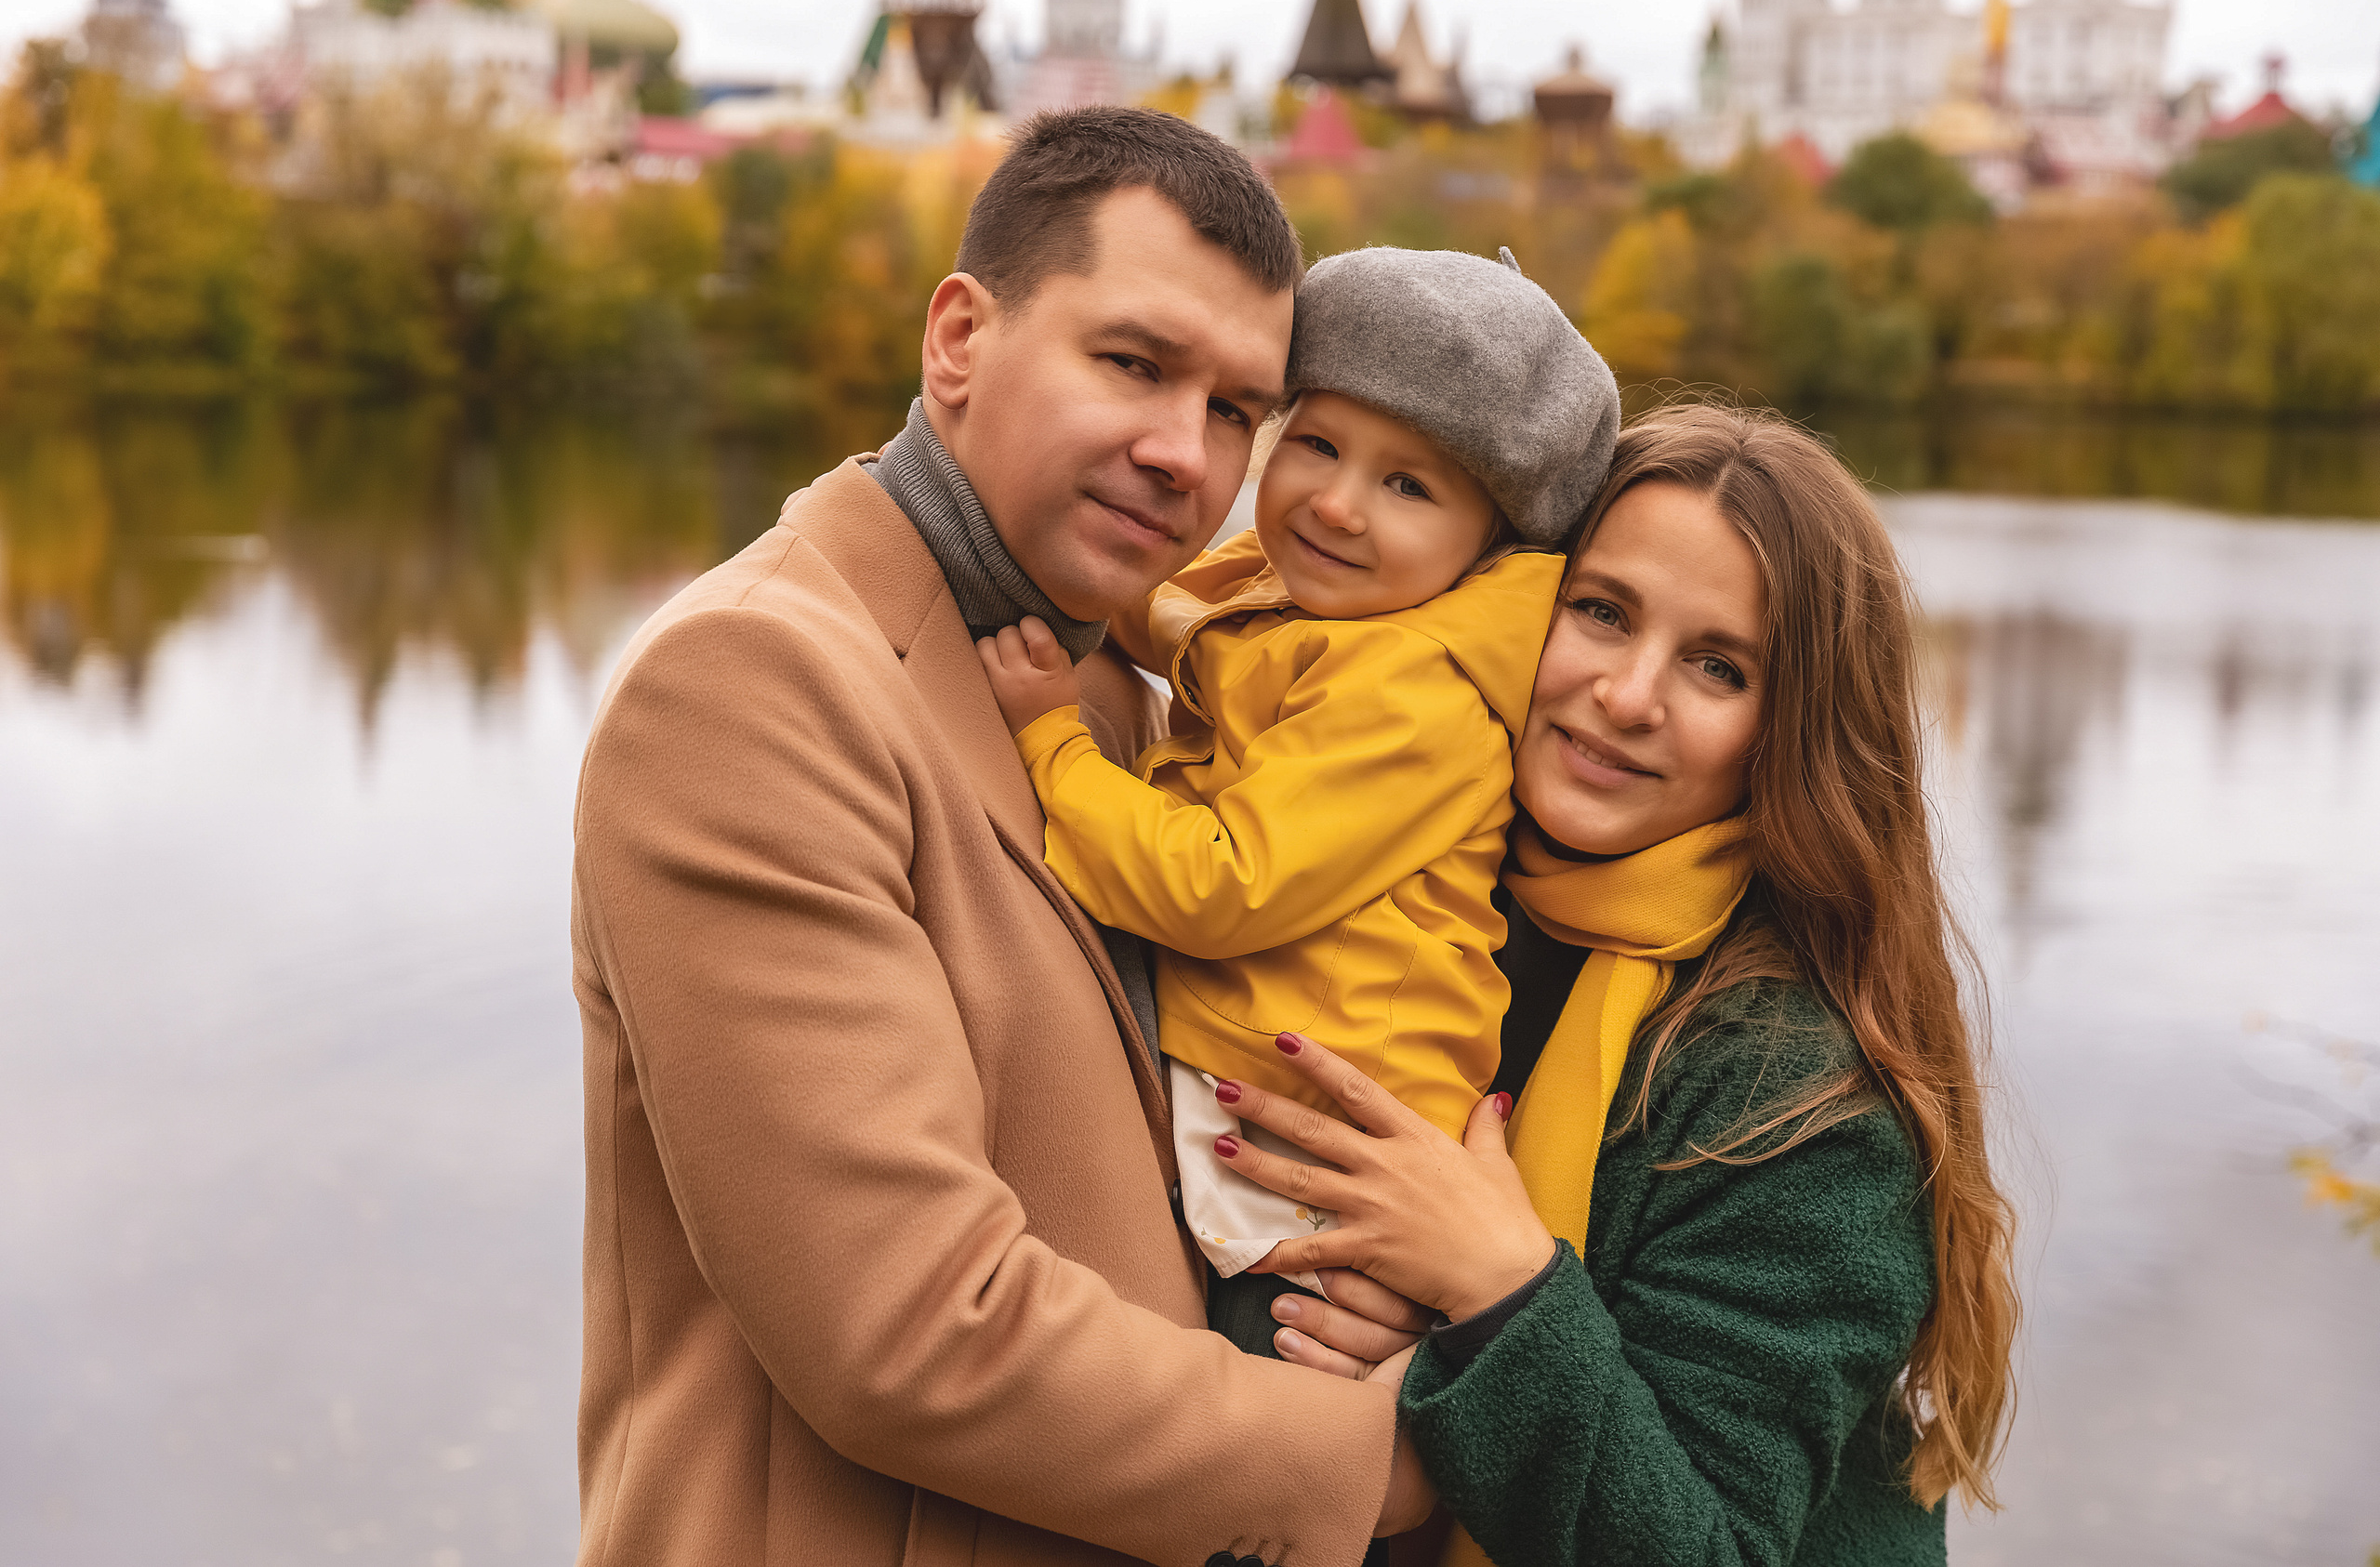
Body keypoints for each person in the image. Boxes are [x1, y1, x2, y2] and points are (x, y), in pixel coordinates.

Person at [569, 108, 1430, 1567]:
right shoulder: (748, 681)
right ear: (958, 338)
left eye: (1235, 408)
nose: (1184, 452)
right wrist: (1412, 1452)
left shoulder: (1119, 685)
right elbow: (909, 1327)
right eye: (1135, 363)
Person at [1206, 405, 2021, 1564]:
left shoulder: (1800, 1098)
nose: (1629, 696)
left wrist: (1494, 1290)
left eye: (1716, 666)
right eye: (1600, 612)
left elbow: (1710, 1549)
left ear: (1790, 729)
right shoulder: (1407, 888)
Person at [973, 245, 1618, 1358]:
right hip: (1261, 1088)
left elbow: (1217, 883)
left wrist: (1050, 740)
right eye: (1314, 444)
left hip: (1321, 1159)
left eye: (1407, 485)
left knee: (1255, 1449)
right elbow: (1182, 625)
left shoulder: (1419, 695)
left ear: (1488, 544)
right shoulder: (1322, 602)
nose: (1335, 503)